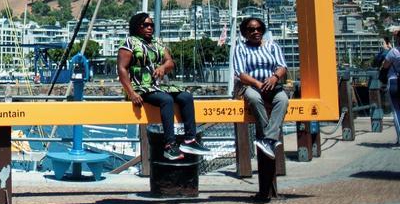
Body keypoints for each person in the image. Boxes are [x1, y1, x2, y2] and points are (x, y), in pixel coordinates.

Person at [118, 11, 211, 160]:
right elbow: (122, 68)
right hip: (139, 87)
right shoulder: (129, 43)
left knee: (186, 96)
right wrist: (131, 93)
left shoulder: (157, 43)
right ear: (137, 27)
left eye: (151, 25)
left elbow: (170, 62)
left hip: (156, 86)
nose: (150, 28)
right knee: (166, 100)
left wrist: (163, 68)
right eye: (145, 25)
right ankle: (169, 145)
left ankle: (190, 140)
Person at [232, 17, 289, 158]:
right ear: (245, 33)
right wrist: (258, 84)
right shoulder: (240, 48)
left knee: (283, 99)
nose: (256, 32)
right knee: (254, 98)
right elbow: (241, 73)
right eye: (251, 30)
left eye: (258, 29)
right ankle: (268, 138)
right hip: (251, 86)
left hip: (272, 85)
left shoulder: (272, 46)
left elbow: (282, 66)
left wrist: (274, 77)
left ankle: (268, 139)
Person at [382, 30, 400, 147]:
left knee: (397, 111)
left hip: (394, 81)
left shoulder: (393, 52)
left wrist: (386, 50)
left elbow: (385, 65)